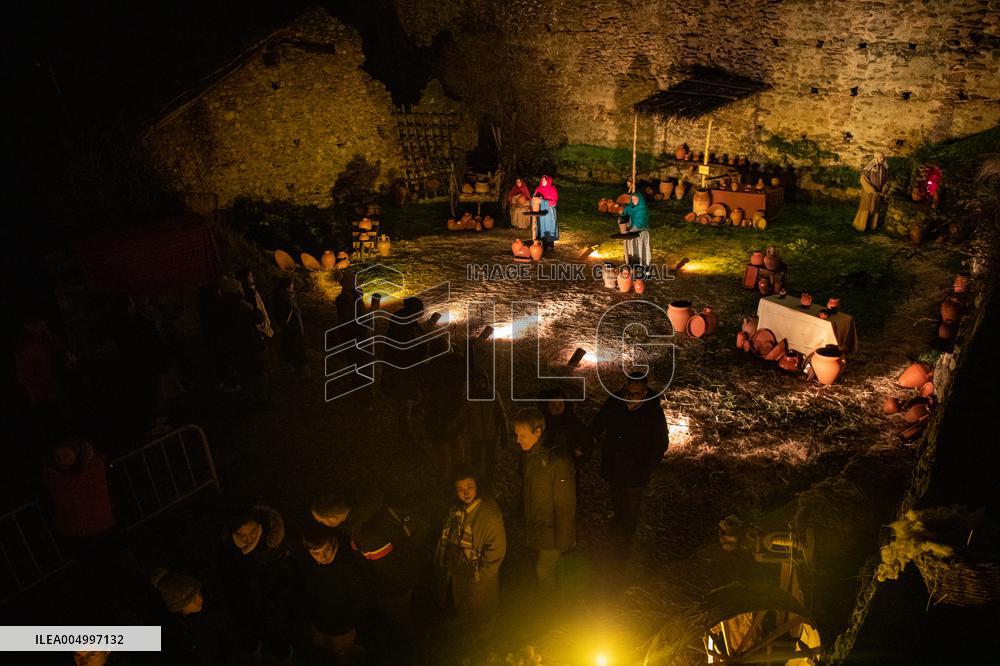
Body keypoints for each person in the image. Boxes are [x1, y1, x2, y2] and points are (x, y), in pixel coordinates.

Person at [311, 489, 420, 632]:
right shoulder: (365, 509)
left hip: (395, 589)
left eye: (321, 521)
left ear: (333, 519)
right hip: (403, 568)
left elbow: (387, 571)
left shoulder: (367, 536)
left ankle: (408, 641)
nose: (320, 524)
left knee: (399, 619)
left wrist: (380, 592)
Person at [589, 373, 668, 554]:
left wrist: (649, 464)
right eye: (629, 393)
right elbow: (598, 423)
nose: (631, 398)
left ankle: (625, 544)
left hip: (637, 471)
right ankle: (616, 528)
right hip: (614, 466)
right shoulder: (615, 402)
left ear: (645, 391)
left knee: (631, 508)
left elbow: (662, 440)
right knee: (617, 500)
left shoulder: (652, 411)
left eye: (636, 394)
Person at [434, 469, 506, 639]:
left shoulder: (490, 515)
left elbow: (497, 549)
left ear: (477, 487)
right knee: (463, 601)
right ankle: (466, 633)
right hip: (460, 568)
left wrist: (482, 573)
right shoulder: (456, 511)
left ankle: (484, 641)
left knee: (483, 608)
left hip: (481, 576)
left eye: (469, 487)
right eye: (460, 489)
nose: (465, 493)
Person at [219, 505, 294, 665]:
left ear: (260, 526)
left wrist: (278, 603)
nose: (249, 539)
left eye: (252, 532)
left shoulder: (273, 546)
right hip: (245, 609)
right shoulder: (229, 550)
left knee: (278, 644)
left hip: (274, 608)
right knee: (250, 643)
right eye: (242, 535)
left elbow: (287, 577)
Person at [513, 408, 576, 593]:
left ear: (538, 432)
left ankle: (551, 610)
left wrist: (563, 543)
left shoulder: (558, 462)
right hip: (538, 529)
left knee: (544, 571)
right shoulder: (530, 456)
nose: (518, 440)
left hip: (552, 534)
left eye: (522, 435)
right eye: (517, 435)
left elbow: (565, 505)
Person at [298, 522, 372, 663]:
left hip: (342, 630)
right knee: (324, 653)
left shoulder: (346, 566)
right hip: (318, 626)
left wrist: (347, 622)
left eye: (325, 550)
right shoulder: (308, 566)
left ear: (332, 541)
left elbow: (361, 598)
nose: (323, 557)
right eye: (316, 553)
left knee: (342, 656)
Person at [42, 438, 123, 561]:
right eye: (57, 457)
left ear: (76, 453)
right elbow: (51, 504)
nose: (62, 461)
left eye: (66, 455)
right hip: (76, 535)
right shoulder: (52, 477)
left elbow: (114, 489)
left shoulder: (96, 466)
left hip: (105, 528)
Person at [152, 568, 232, 665]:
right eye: (192, 599)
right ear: (179, 605)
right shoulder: (171, 630)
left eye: (198, 592)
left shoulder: (211, 611)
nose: (199, 598)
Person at [380, 297, 427, 442]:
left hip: (405, 367)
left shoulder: (405, 320)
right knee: (405, 403)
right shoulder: (402, 326)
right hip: (402, 370)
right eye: (420, 311)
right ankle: (407, 438)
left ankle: (411, 425)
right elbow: (407, 348)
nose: (422, 313)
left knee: (413, 398)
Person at [456, 370, 508, 492]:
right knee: (476, 462)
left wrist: (504, 432)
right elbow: (462, 415)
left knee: (491, 461)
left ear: (486, 381)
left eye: (482, 380)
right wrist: (454, 428)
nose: (480, 383)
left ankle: (489, 483)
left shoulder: (493, 395)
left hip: (492, 435)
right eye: (477, 381)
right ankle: (477, 483)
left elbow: (501, 414)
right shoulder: (469, 397)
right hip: (476, 436)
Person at [217, 276, 267, 396]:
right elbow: (257, 318)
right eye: (240, 289)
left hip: (235, 344)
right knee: (254, 370)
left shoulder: (222, 306)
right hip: (248, 342)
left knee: (243, 369)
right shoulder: (241, 306)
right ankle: (258, 395)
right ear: (236, 291)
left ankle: (248, 393)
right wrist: (256, 310)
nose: (243, 291)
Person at [541, 388, 594, 484]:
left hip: (568, 473)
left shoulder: (573, 422)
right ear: (547, 406)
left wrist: (576, 464)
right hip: (546, 473)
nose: (557, 408)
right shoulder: (542, 424)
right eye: (553, 405)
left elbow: (588, 443)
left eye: (560, 404)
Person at [271, 277, 308, 378]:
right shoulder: (283, 297)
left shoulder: (284, 295)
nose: (293, 286)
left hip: (291, 328)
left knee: (289, 348)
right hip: (291, 328)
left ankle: (291, 369)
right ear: (287, 286)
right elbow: (286, 313)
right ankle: (295, 370)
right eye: (291, 284)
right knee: (293, 347)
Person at [852, 151, 889, 232]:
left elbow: (886, 180)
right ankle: (861, 226)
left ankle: (872, 226)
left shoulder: (884, 168)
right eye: (880, 157)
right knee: (866, 207)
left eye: (883, 157)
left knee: (875, 208)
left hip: (878, 193)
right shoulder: (870, 167)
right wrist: (871, 189)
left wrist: (884, 189)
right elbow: (862, 178)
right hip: (868, 192)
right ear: (875, 158)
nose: (882, 159)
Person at [619, 191, 651, 274]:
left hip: (641, 233)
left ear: (640, 199)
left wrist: (632, 229)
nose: (633, 201)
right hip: (631, 233)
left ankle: (644, 268)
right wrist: (622, 215)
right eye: (632, 199)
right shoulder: (630, 207)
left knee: (642, 250)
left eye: (635, 199)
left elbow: (640, 222)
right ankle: (633, 266)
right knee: (632, 250)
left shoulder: (643, 209)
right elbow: (624, 215)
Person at [238, 269, 274, 341]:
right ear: (245, 278)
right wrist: (262, 321)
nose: (252, 277)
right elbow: (255, 307)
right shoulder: (248, 292)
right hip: (258, 322)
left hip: (261, 319)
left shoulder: (252, 290)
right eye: (250, 276)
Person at [532, 175, 559, 251]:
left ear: (548, 181)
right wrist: (536, 200)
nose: (543, 182)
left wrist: (543, 201)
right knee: (541, 227)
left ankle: (550, 244)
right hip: (540, 211)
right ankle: (543, 243)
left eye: (545, 180)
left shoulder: (552, 189)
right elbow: (534, 198)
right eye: (542, 180)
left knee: (549, 227)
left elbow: (554, 202)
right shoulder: (538, 189)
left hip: (549, 212)